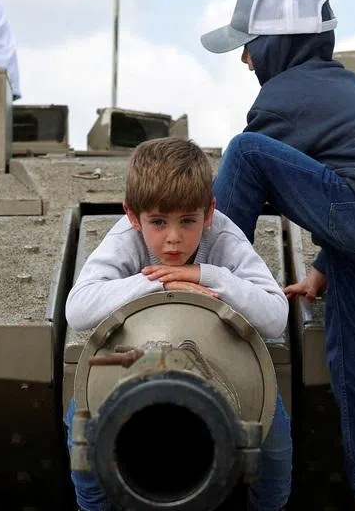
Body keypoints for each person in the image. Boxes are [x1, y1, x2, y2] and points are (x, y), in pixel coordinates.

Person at [201, 0, 355, 510]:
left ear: (276, 45)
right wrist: (326, 263)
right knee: (354, 362)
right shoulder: (347, 84)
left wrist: (208, 249)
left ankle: (203, 278)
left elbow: (262, 176)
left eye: (249, 47)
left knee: (247, 151)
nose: (244, 61)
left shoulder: (281, 97)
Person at [64, 136, 292, 511]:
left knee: (276, 446)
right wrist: (160, 279)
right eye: (158, 222)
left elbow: (275, 315)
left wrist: (206, 274)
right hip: (132, 360)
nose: (173, 237)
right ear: (133, 216)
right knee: (82, 431)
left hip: (224, 362)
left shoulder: (222, 235)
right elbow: (79, 308)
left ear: (209, 211)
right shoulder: (125, 238)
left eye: (188, 220)